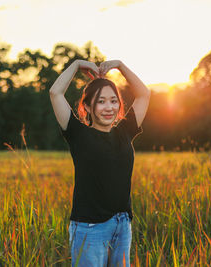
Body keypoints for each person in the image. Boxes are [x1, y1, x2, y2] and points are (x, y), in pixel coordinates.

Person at [49, 59, 150, 267]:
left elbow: (144, 94)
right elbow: (55, 93)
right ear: (87, 106)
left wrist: (120, 66)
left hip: (122, 224)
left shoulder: (125, 131)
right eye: (101, 101)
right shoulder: (78, 133)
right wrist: (76, 64)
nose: (109, 107)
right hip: (90, 228)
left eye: (114, 101)